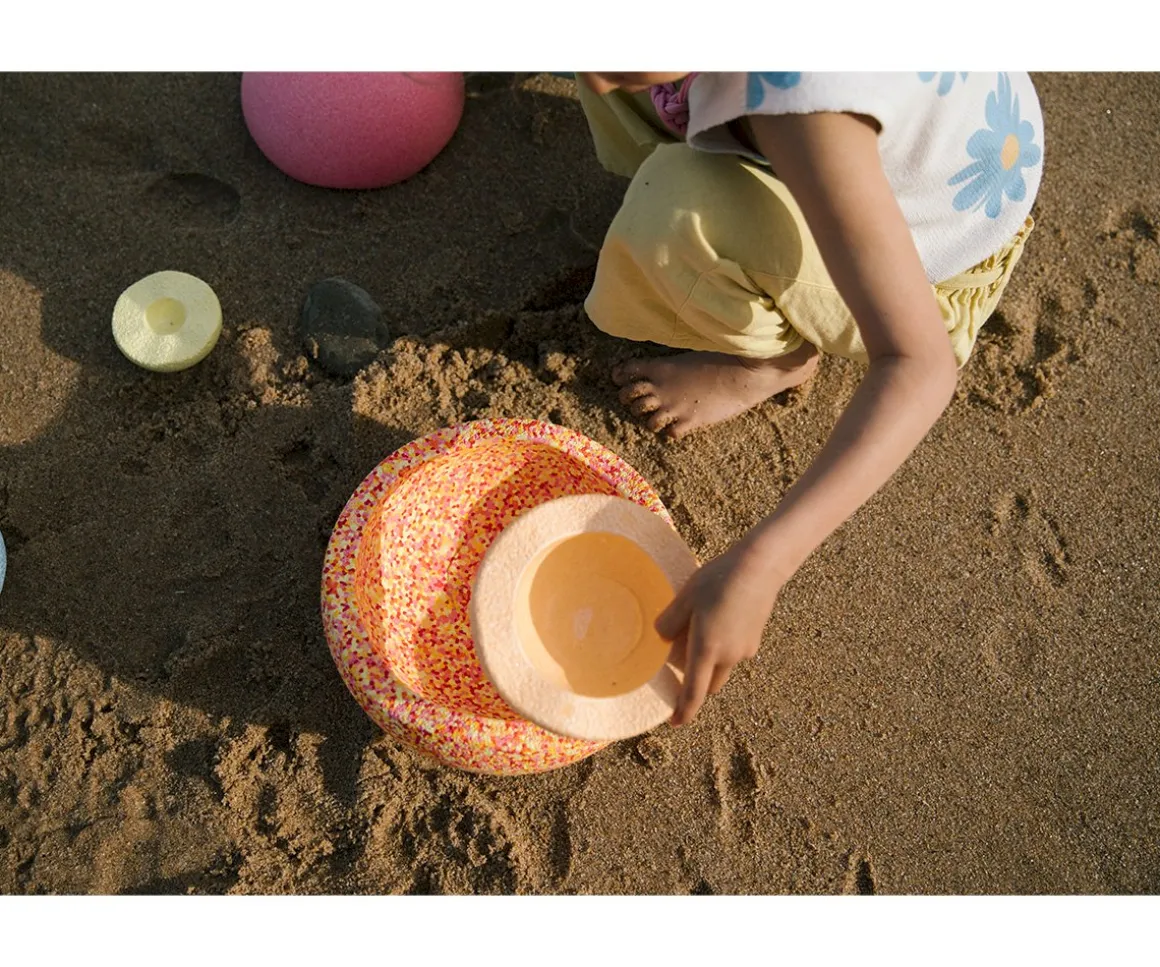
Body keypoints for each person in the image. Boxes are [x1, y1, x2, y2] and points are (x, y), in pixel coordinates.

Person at [571, 71, 1043, 726]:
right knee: (633, 100)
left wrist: (762, 566)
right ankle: (726, 173)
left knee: (672, 214)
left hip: (935, 262)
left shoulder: (804, 107)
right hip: (944, 155)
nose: (597, 73)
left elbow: (921, 363)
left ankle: (771, 360)